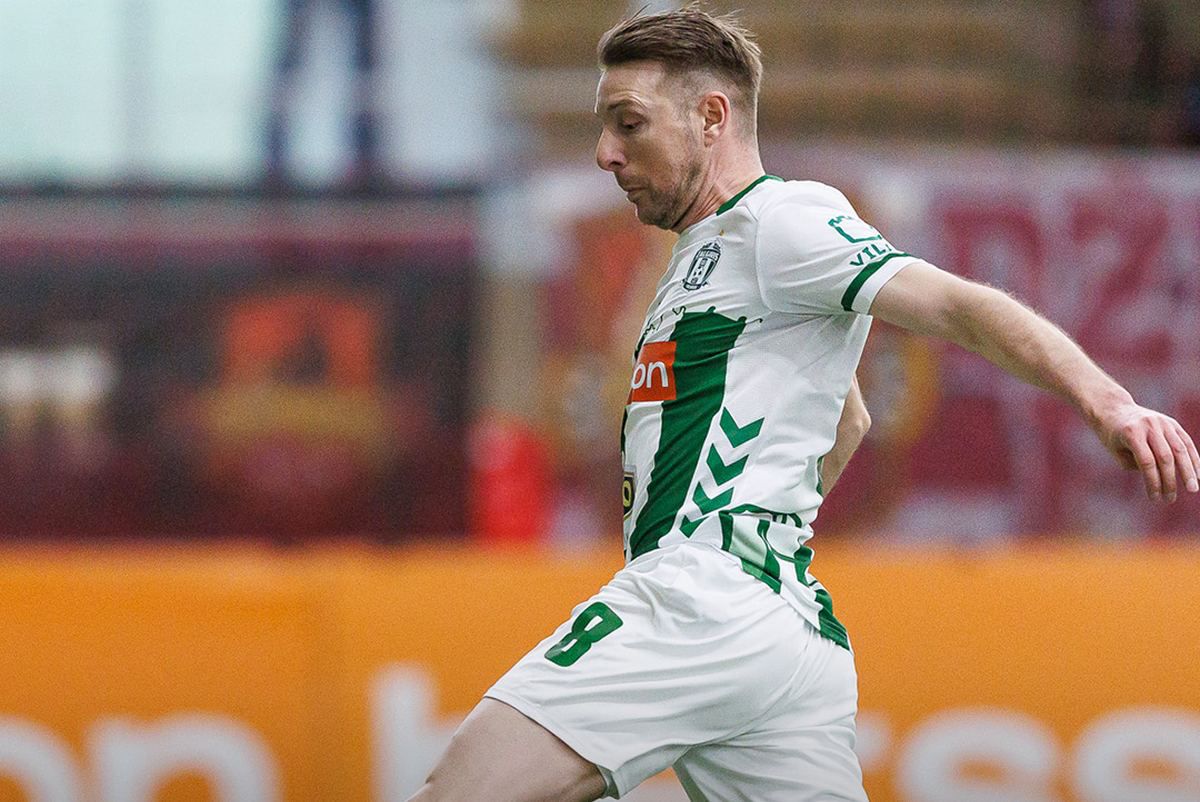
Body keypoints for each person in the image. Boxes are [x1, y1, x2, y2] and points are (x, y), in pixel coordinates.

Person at [409, 7, 1200, 802]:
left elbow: (958, 305)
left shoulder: (779, 222)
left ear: (711, 117)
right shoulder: (706, 255)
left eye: (630, 123)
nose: (605, 152)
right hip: (780, 626)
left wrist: (1110, 403)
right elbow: (847, 417)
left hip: (698, 598)